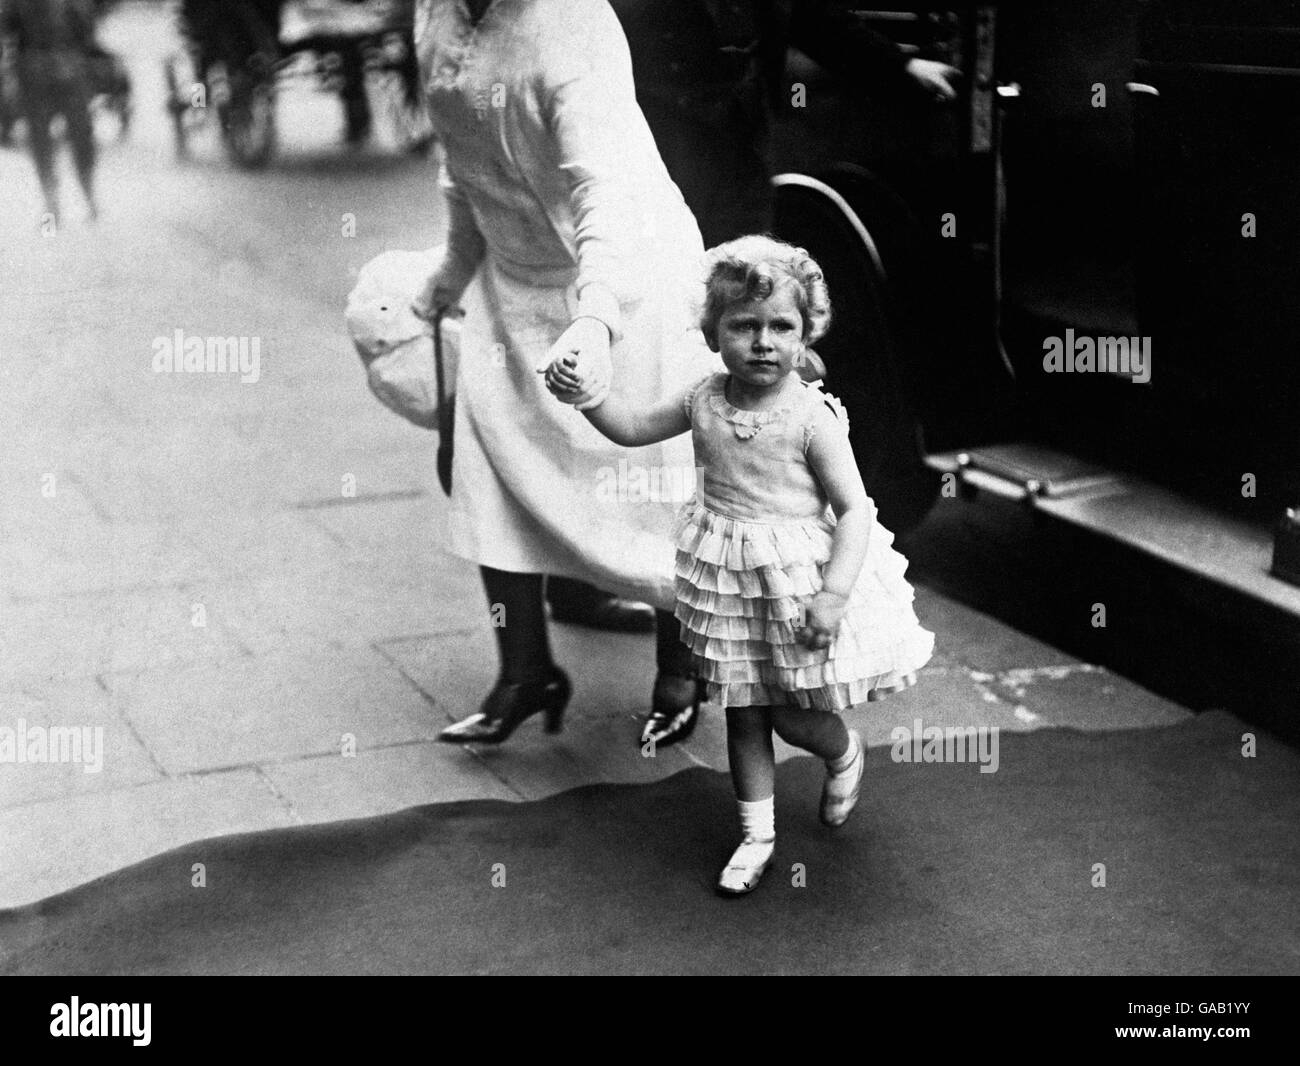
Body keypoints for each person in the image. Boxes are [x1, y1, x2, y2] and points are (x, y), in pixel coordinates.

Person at [544, 235, 934, 894]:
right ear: (713, 331)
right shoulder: (702, 398)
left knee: (788, 712)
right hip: (727, 575)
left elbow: (856, 509)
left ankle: (840, 750)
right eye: (744, 325)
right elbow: (632, 426)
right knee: (744, 709)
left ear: (806, 334)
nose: (763, 341)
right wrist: (586, 392)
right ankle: (757, 835)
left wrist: (834, 593)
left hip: (797, 582)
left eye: (781, 326)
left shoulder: (812, 419)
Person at [409, 0, 718, 747]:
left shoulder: (574, 23)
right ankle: (525, 672)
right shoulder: (435, 16)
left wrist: (597, 317)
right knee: (490, 475)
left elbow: (604, 189)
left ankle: (681, 670)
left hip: (622, 274)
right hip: (510, 278)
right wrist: (454, 267)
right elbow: (462, 159)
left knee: (653, 482)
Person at [1, 0, 100, 226]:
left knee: (76, 135)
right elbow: (7, 34)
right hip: (44, 72)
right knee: (45, 139)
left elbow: (87, 33)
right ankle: (55, 202)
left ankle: (85, 197)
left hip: (59, 71)